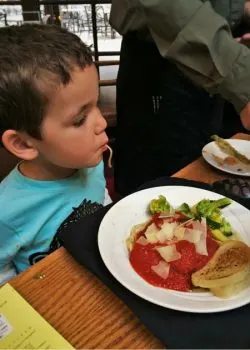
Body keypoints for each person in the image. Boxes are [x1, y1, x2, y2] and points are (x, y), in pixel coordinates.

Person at [0, 24, 111, 283]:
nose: (102, 123)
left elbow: (101, 198)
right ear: (24, 144)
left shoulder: (89, 162)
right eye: (80, 119)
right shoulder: (6, 211)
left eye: (98, 104)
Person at [110, 0, 250, 196]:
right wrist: (243, 78)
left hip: (222, 59)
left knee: (214, 187)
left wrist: (238, 8)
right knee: (152, 198)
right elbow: (162, 6)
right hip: (162, 66)